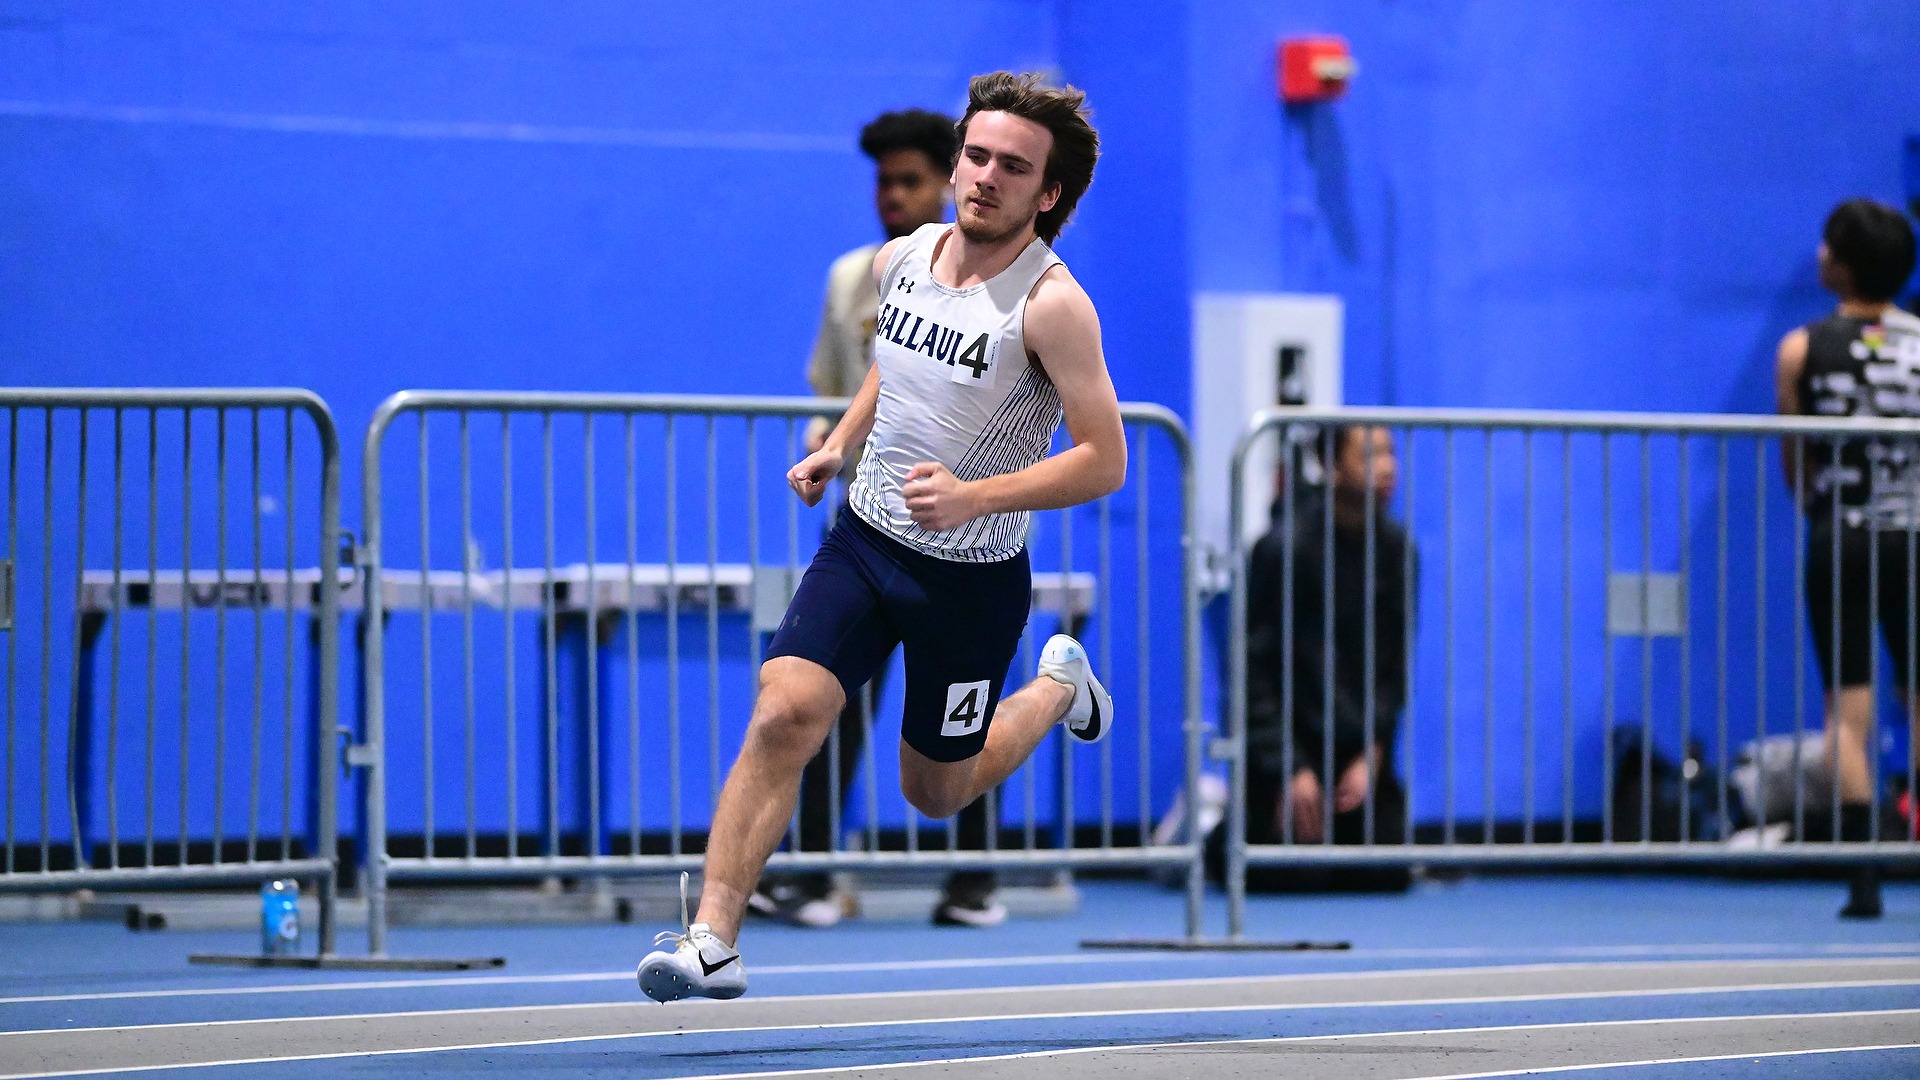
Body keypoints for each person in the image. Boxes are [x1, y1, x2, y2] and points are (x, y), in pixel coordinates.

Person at [640, 71, 1121, 1002]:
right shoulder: (903, 259)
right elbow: (890, 368)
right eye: (975, 155)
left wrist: (977, 498)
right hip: (865, 540)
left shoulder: (1052, 306)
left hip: (969, 579)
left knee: (935, 794)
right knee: (785, 708)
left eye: (1011, 167)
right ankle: (712, 938)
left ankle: (1059, 690)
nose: (984, 177)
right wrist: (840, 443)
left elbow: (1106, 461)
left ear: (1047, 193)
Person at [754, 108, 1008, 930]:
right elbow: (837, 386)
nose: (893, 197)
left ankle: (974, 879)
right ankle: (820, 874)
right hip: (866, 524)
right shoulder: (849, 279)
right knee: (822, 695)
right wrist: (823, 450)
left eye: (911, 181)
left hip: (956, 536)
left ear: (951, 183)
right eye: (884, 182)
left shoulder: (1001, 283)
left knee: (951, 716)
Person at [1776, 197, 1920, 918]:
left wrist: (1820, 498)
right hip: (1916, 533)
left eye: (1827, 245)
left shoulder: (1803, 348)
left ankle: (1865, 880)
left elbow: (1793, 458)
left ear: (1843, 260)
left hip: (1842, 536)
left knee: (1848, 713)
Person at [1210, 425, 1416, 893]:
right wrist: (1288, 768)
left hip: (1354, 754)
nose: (1387, 468)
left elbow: (1394, 671)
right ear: (1332, 466)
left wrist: (1373, 752)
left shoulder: (1398, 550)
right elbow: (1253, 671)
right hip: (1291, 744)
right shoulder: (1283, 549)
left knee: (1384, 872)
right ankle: (1212, 832)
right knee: (1288, 873)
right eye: (1369, 455)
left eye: (1389, 454)